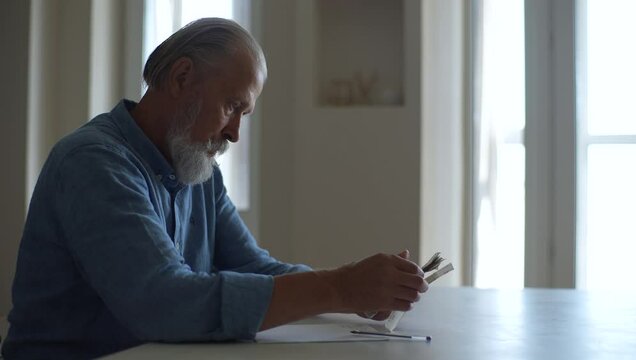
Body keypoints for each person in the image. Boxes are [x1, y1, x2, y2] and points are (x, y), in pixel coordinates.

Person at [1, 18, 427, 359]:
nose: (236, 133)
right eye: (231, 106)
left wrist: (356, 292)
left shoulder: (197, 168)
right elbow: (164, 304)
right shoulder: (93, 162)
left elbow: (254, 267)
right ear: (182, 77)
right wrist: (339, 287)